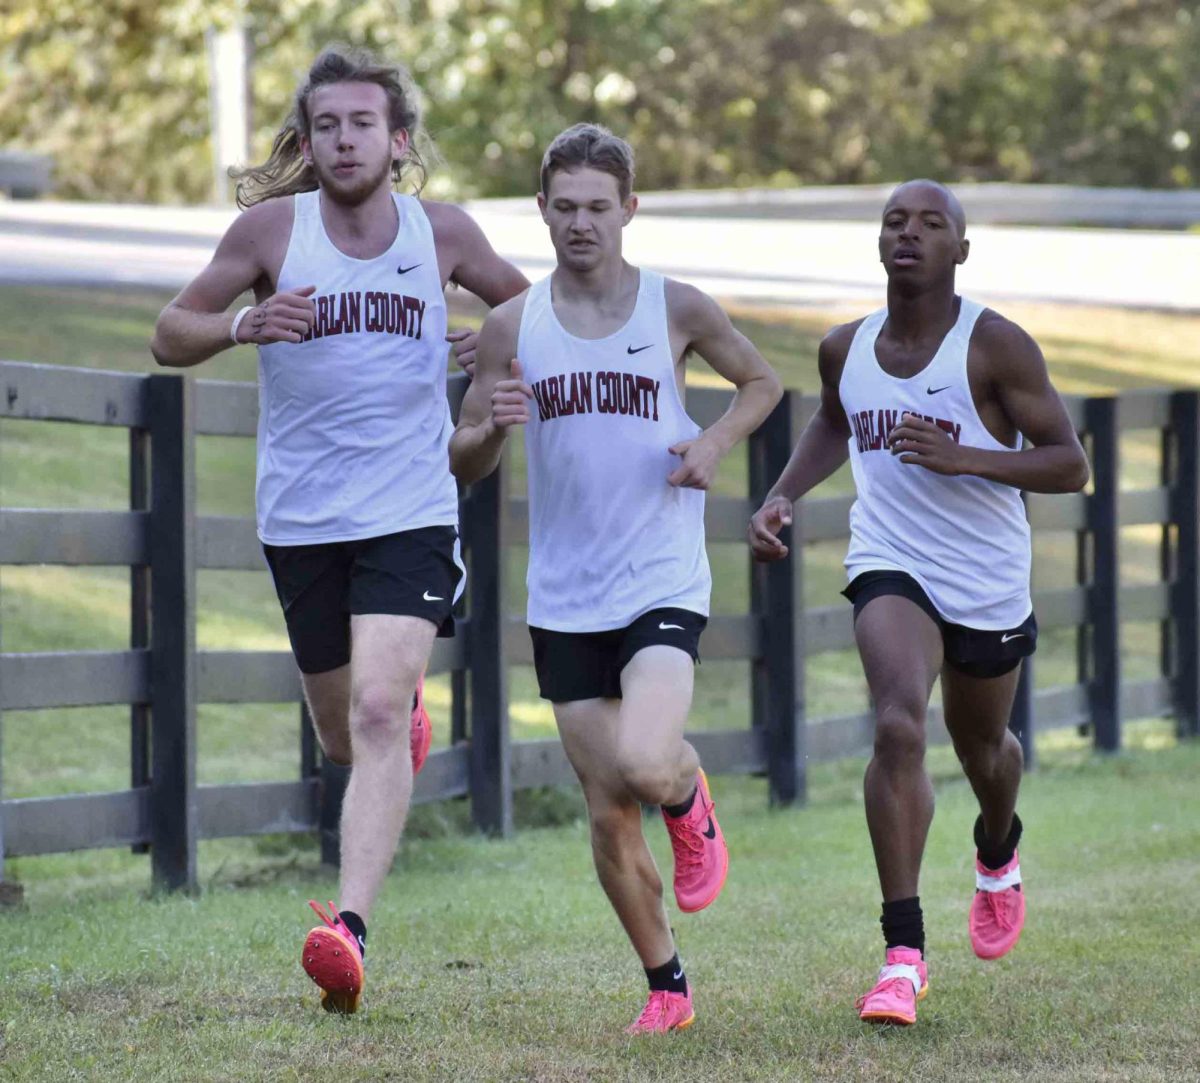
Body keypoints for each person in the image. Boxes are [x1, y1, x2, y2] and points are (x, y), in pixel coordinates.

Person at [150, 44, 529, 1014]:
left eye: (364, 123)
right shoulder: (270, 231)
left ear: (398, 141)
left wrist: (488, 342)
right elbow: (170, 330)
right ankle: (397, 732)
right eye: (327, 126)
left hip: (411, 506)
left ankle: (348, 929)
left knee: (372, 714)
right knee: (345, 734)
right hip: (302, 516)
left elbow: (533, 305)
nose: (345, 139)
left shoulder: (440, 232)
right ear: (308, 142)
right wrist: (245, 325)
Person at [450, 124, 783, 1035]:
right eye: (566, 208)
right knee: (604, 812)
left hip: (661, 576)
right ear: (544, 211)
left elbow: (762, 383)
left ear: (629, 209)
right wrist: (488, 430)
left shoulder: (673, 309)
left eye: (599, 206)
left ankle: (688, 794)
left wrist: (712, 441)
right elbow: (464, 458)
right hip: (565, 593)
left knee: (643, 760)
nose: (582, 223)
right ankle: (666, 986)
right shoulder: (514, 328)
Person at [749, 179, 1089, 1025]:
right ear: (879, 242)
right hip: (891, 561)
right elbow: (835, 417)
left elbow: (1068, 464)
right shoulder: (846, 346)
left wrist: (966, 456)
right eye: (895, 221)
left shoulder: (996, 346)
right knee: (898, 723)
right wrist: (782, 494)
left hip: (986, 575)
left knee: (986, 751)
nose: (910, 234)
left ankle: (997, 845)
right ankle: (902, 954)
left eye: (932, 224)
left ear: (960, 249)